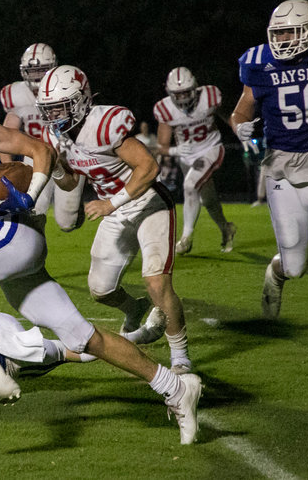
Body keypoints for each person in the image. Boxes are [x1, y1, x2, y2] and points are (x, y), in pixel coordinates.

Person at [0, 55, 200, 444]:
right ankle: (176, 387)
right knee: (83, 338)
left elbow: (39, 150)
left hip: (7, 227)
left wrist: (30, 194)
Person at [37, 65, 193, 373]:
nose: (54, 115)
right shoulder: (56, 137)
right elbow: (68, 183)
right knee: (101, 289)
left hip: (148, 202)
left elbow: (148, 167)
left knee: (156, 283)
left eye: (59, 107)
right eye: (49, 109)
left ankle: (180, 356)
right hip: (114, 208)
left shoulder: (104, 123)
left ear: (80, 100)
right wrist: (55, 166)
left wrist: (112, 202)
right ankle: (134, 309)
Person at [230, 0, 308, 319]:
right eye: (279, 34)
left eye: (292, 32)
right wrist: (240, 127)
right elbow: (242, 110)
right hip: (282, 169)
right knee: (295, 265)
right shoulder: (259, 62)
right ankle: (276, 273)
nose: (283, 40)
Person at [0, 42, 85, 232]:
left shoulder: (65, 86)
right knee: (33, 211)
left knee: (66, 223)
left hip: (67, 153)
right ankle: (33, 249)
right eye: (32, 70)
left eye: (42, 69)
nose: (37, 75)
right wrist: (8, 166)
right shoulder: (13, 95)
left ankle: (76, 209)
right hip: (34, 155)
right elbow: (7, 134)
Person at [153, 67, 236, 254]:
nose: (182, 98)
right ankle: (226, 228)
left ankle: (186, 238)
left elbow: (225, 113)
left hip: (210, 148)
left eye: (185, 92)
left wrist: (238, 129)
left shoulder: (210, 96)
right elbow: (161, 145)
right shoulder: (165, 109)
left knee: (190, 186)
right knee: (208, 199)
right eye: (177, 94)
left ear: (195, 88)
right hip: (186, 155)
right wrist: (175, 150)